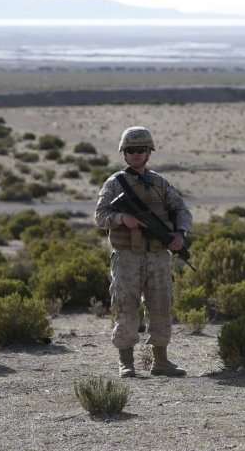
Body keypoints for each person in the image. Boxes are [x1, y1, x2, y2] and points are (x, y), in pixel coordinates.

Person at [94, 126, 192, 378]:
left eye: (140, 150)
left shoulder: (159, 183)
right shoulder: (115, 183)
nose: (136, 154)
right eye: (130, 150)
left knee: (161, 305)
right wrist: (121, 218)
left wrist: (180, 234)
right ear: (124, 154)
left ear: (149, 152)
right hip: (128, 256)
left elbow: (181, 210)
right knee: (125, 305)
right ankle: (126, 362)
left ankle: (161, 361)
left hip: (158, 255)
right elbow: (100, 216)